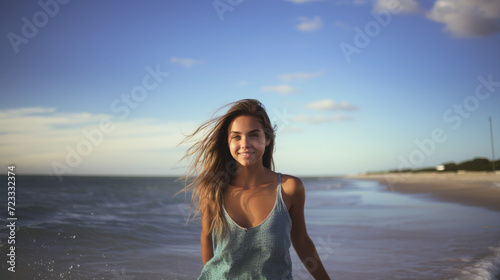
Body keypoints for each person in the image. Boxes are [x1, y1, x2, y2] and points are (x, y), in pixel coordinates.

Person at [179, 99, 330, 279]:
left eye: (253, 135)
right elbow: (206, 239)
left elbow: (302, 241)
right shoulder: (213, 191)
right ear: (227, 142)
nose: (245, 144)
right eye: (236, 136)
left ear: (267, 139)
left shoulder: (289, 189)